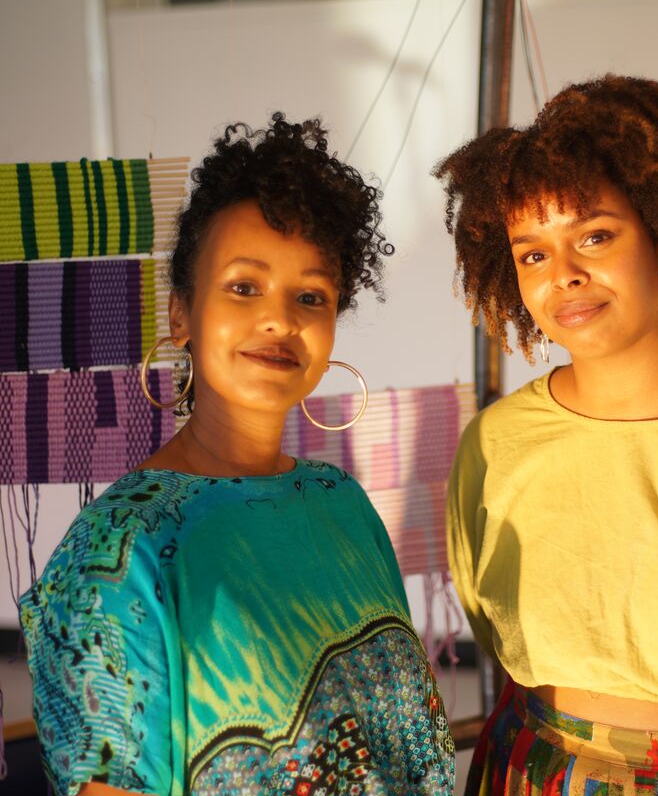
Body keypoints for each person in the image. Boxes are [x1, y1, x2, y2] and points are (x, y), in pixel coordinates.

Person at [20, 114, 455, 796]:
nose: (280, 319)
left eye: (310, 296)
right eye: (244, 287)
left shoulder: (341, 502)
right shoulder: (119, 548)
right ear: (181, 316)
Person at [435, 75, 658, 795]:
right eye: (533, 253)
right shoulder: (497, 441)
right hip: (540, 767)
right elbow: (488, 616)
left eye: (595, 236)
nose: (564, 275)